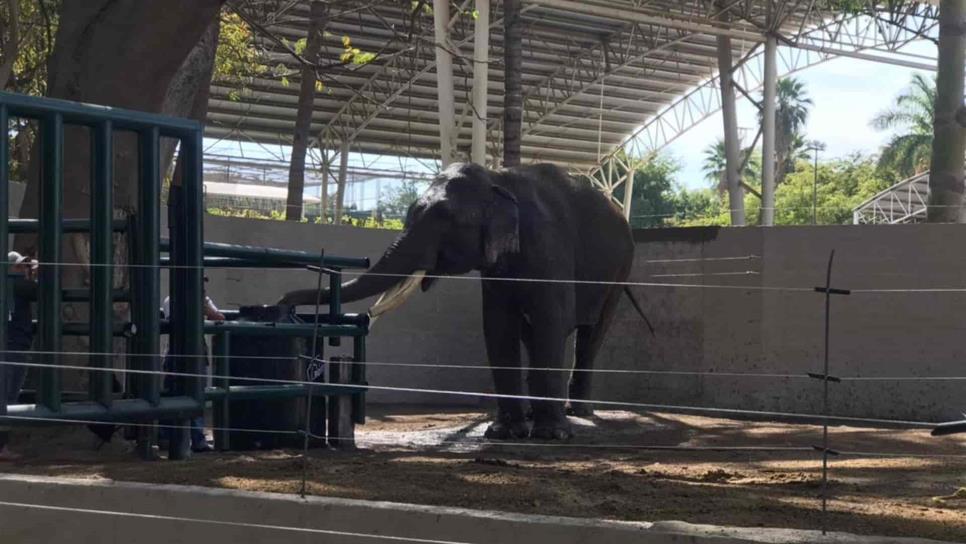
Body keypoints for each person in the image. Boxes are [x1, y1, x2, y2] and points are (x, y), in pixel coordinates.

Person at [160, 276, 224, 453]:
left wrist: (203, 305)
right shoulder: (171, 299)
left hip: (197, 351)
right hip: (176, 352)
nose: (202, 288)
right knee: (172, 393)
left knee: (197, 393)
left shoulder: (204, 300)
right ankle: (167, 436)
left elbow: (219, 317)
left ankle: (197, 439)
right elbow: (179, 320)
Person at [0, 252, 38, 461]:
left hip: (13, 346)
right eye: (20, 267)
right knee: (7, 398)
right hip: (13, 348)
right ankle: (1, 446)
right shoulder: (17, 285)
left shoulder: (11, 285)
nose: (25, 270)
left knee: (6, 398)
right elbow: (44, 291)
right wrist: (35, 274)